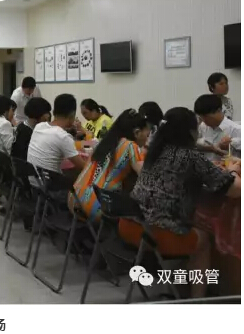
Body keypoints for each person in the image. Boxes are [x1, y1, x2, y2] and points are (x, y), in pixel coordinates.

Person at [119, 107, 241, 299]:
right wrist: (233, 170)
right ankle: (197, 300)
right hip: (157, 233)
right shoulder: (190, 156)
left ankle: (182, 287)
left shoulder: (154, 151)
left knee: (194, 225)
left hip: (131, 225)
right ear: (191, 132)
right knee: (203, 240)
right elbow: (235, 190)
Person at [68, 109, 150, 222]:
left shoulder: (105, 142)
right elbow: (146, 176)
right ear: (137, 133)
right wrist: (148, 150)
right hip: (95, 208)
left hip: (74, 200)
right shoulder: (130, 146)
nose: (147, 138)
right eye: (147, 135)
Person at [27, 94, 86, 174]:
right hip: (50, 181)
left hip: (32, 178)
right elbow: (82, 166)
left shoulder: (39, 126)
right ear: (72, 115)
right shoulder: (63, 137)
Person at [194, 94, 241, 161]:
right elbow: (194, 145)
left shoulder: (236, 130)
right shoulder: (203, 126)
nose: (204, 120)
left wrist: (230, 146)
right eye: (201, 117)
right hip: (206, 166)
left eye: (206, 117)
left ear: (218, 111)